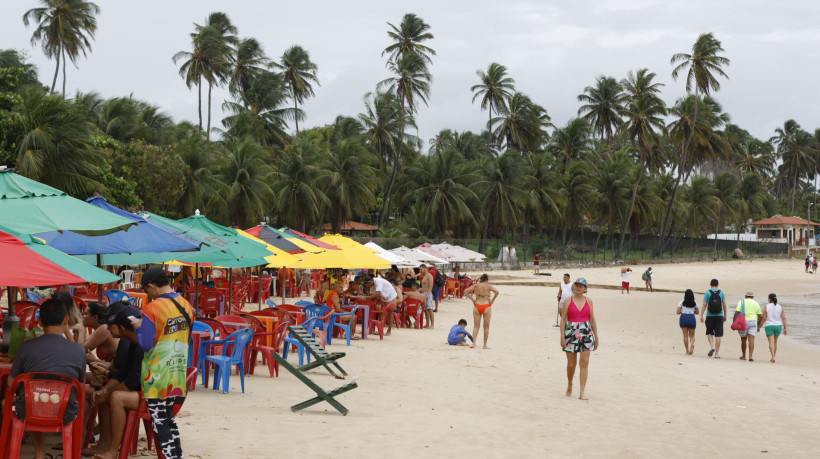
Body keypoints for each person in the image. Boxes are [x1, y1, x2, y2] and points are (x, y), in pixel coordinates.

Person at [126, 267, 194, 459]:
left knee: (160, 426)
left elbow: (146, 344)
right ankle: (177, 456)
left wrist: (138, 328)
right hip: (177, 372)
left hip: (156, 376)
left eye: (147, 290)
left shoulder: (152, 309)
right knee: (169, 422)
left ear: (151, 286)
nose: (148, 294)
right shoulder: (186, 305)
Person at [8, 299, 86, 459]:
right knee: (41, 399)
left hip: (29, 411)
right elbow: (81, 386)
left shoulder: (25, 348)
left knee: (33, 399)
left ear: (40, 321)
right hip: (65, 412)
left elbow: (11, 383)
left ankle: (39, 453)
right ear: (66, 319)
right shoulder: (78, 351)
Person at [85, 302, 144, 459]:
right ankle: (104, 444)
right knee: (105, 393)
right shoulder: (132, 341)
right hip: (142, 387)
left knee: (116, 397)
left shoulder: (139, 344)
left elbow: (130, 381)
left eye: (110, 327)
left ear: (122, 328)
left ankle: (112, 451)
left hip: (156, 394)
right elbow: (123, 374)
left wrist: (107, 391)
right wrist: (105, 390)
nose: (109, 332)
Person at [559, 278, 598, 401]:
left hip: (586, 332)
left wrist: (596, 337)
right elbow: (563, 319)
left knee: (584, 362)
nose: (578, 287)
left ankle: (582, 392)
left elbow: (592, 319)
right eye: (576, 285)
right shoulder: (567, 300)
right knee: (571, 363)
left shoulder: (589, 301)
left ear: (585, 289)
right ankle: (570, 384)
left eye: (581, 286)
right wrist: (562, 336)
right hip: (571, 331)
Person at [463, 274, 499, 349]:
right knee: (486, 327)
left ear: (481, 279)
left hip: (477, 305)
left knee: (476, 326)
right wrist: (492, 300)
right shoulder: (489, 286)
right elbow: (497, 292)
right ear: (487, 280)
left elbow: (465, 291)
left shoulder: (476, 286)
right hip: (486, 306)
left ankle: (474, 343)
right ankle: (484, 345)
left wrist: (472, 299)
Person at [700, 278, 727, 359]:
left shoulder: (707, 293)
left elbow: (704, 304)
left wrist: (701, 315)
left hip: (710, 316)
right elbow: (725, 305)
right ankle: (717, 354)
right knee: (718, 335)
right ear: (717, 285)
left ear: (710, 285)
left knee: (709, 332)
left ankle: (712, 347)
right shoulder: (721, 293)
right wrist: (725, 315)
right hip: (719, 316)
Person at [734, 291, 763, 362]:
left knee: (743, 339)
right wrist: (758, 325)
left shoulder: (741, 302)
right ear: (753, 297)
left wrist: (734, 323)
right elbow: (759, 316)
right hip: (753, 321)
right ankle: (750, 356)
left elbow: (736, 313)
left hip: (743, 322)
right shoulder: (756, 303)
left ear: (745, 296)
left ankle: (744, 356)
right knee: (751, 340)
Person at [760, 293, 787, 363]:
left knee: (771, 342)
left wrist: (759, 326)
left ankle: (772, 357)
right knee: (775, 342)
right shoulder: (780, 307)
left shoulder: (766, 306)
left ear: (769, 299)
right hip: (778, 326)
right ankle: (773, 356)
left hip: (769, 326)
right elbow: (783, 317)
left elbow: (764, 318)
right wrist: (785, 328)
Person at [677, 289, 699, 355]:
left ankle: (687, 351)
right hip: (691, 317)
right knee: (692, 335)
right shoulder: (694, 302)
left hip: (683, 317)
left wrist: (683, 311)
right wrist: (692, 311)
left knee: (685, 335)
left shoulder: (681, 302)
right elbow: (697, 312)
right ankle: (692, 345)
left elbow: (678, 312)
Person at [419, 264, 435, 329]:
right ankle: (427, 324)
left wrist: (427, 295)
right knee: (425, 309)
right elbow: (423, 286)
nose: (420, 270)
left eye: (421, 269)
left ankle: (432, 324)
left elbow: (430, 286)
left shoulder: (429, 276)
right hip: (423, 293)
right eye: (419, 269)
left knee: (429, 309)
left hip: (428, 293)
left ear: (425, 268)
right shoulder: (424, 276)